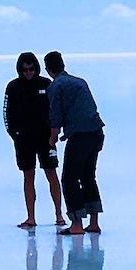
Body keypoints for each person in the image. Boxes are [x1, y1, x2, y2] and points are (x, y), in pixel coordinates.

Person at [44, 51, 104, 237]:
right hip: (96, 132)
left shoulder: (56, 86)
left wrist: (52, 139)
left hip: (80, 136)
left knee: (69, 178)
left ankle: (76, 224)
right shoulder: (80, 81)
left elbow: (55, 116)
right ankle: (93, 222)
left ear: (47, 69)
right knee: (88, 176)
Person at [3, 51, 64, 230]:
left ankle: (59, 215)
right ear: (20, 70)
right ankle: (30, 217)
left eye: (31, 69)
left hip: (46, 139)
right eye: (24, 70)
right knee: (28, 176)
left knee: (51, 174)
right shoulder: (13, 87)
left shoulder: (47, 84)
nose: (28, 72)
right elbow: (7, 113)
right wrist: (14, 134)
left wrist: (54, 133)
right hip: (23, 140)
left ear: (36, 68)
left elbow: (56, 109)